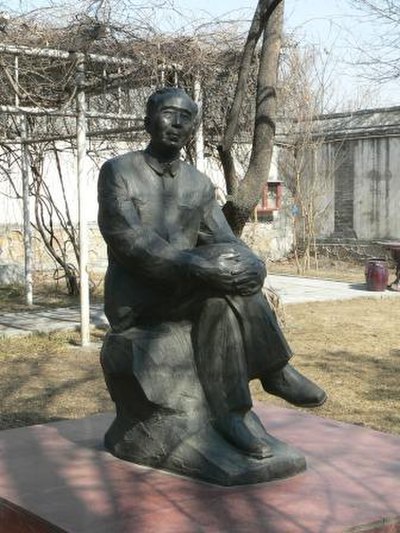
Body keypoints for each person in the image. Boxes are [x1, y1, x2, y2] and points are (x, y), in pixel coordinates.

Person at [98, 87, 326, 460]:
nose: (176, 123)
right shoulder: (118, 172)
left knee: (226, 290)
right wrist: (194, 264)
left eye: (186, 118)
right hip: (138, 299)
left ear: (193, 129)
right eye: (168, 113)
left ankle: (234, 415)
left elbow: (223, 238)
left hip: (183, 292)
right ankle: (273, 373)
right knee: (217, 285)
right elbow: (128, 240)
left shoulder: (198, 184)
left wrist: (253, 264)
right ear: (147, 121)